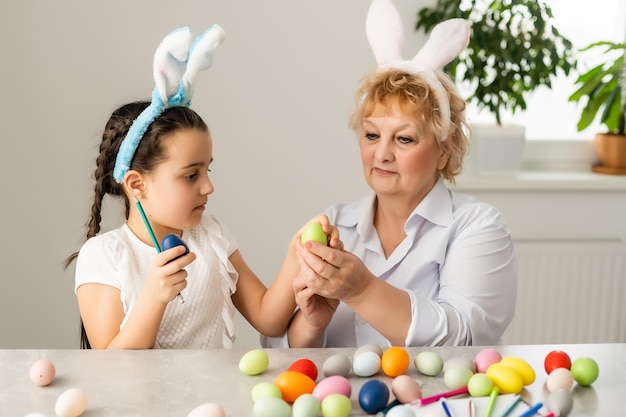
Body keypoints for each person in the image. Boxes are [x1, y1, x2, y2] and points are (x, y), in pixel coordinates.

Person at [65, 25, 339, 349]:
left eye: (207, 170)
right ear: (137, 184)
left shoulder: (212, 236)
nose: (209, 187)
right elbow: (111, 369)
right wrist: (153, 298)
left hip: (214, 399)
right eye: (191, 175)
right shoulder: (104, 256)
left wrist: (298, 253)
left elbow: (268, 318)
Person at [263, 1, 517, 348]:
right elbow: (275, 348)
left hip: (437, 402)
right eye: (371, 135)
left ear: (445, 147)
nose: (381, 153)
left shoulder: (477, 227)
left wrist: (363, 290)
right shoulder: (335, 225)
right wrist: (312, 324)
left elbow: (466, 337)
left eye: (404, 138)